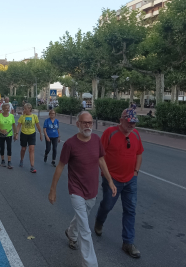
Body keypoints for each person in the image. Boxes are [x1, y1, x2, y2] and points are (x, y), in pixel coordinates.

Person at [48, 111, 117, 267]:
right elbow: (60, 166)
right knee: (85, 230)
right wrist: (53, 189)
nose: (88, 126)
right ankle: (90, 264)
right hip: (76, 189)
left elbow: (101, 160)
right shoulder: (70, 144)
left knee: (83, 216)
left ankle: (71, 233)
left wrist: (110, 181)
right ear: (77, 124)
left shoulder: (96, 140)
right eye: (84, 122)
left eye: (90, 123)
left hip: (91, 189)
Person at [95, 108, 144, 259]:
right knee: (108, 205)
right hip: (112, 179)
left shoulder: (135, 134)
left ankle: (128, 243)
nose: (132, 125)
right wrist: (107, 178)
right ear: (121, 120)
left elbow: (139, 153)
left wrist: (135, 172)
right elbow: (99, 155)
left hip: (131, 179)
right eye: (129, 122)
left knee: (130, 210)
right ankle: (99, 221)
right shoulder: (110, 133)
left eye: (134, 122)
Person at [15, 103, 43, 173]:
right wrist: (17, 133)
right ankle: (21, 160)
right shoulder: (22, 117)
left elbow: (38, 125)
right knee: (23, 149)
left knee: (32, 149)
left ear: (29, 109)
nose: (24, 110)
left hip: (32, 134)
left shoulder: (34, 116)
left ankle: (32, 166)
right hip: (24, 134)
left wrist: (40, 134)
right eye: (24, 108)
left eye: (25, 108)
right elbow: (18, 126)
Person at [0, 103, 17, 169]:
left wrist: (16, 133)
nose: (7, 109)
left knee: (9, 147)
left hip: (9, 134)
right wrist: (1, 130)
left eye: (8, 108)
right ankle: (2, 160)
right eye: (6, 108)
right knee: (2, 147)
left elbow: (14, 125)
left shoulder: (11, 116)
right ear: (3, 109)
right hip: (1, 134)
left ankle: (9, 161)